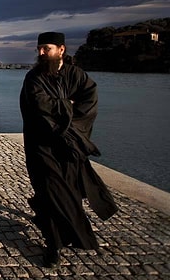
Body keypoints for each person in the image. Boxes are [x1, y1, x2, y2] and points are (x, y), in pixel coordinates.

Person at [20, 32, 118, 268]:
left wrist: (68, 126)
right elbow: (37, 106)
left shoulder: (77, 75)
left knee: (70, 193)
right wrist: (67, 105)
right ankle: (53, 245)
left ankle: (56, 226)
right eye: (39, 49)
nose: (42, 53)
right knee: (52, 191)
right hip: (42, 145)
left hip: (70, 146)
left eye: (47, 48)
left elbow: (89, 102)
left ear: (61, 50)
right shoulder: (34, 77)